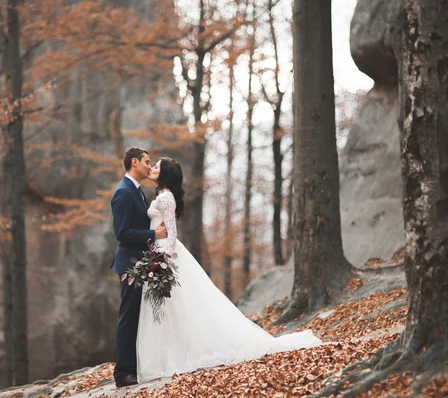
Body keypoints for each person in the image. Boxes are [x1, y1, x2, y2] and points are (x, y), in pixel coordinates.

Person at [135, 157, 322, 383]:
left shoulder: (165, 197)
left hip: (164, 254)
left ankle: (175, 355)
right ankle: (171, 353)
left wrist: (165, 262)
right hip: (157, 251)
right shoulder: (162, 195)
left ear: (164, 173)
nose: (152, 168)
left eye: (156, 166)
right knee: (172, 308)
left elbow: (172, 233)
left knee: (175, 305)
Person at [110, 147, 167, 387]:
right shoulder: (123, 192)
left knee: (137, 316)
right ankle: (123, 373)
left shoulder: (136, 190)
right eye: (147, 162)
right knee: (129, 316)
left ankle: (135, 366)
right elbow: (122, 234)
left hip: (141, 263)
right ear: (134, 162)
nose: (149, 166)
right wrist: (153, 234)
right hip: (130, 265)